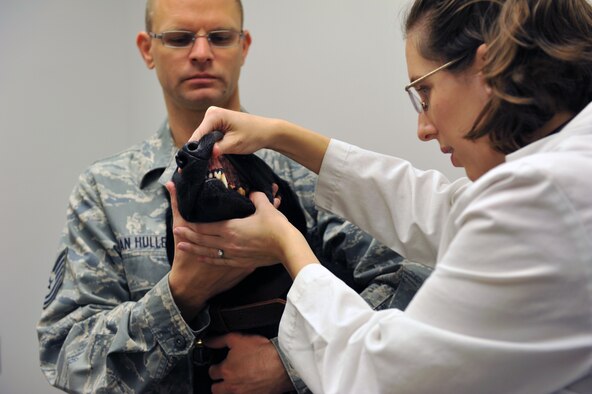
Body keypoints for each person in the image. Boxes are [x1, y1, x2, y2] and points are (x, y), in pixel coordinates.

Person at [171, 0, 592, 392]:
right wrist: (281, 135)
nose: (423, 128)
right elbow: (441, 210)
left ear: (486, 69)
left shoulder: (543, 195)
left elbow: (379, 375)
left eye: (424, 93)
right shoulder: (566, 170)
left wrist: (287, 245)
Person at [36, 0, 431, 393]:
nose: (202, 53)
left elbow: (417, 287)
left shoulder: (303, 174)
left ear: (244, 46)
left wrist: (292, 361)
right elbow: (65, 354)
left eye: (220, 37)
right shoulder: (105, 191)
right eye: (179, 38)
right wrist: (183, 294)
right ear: (147, 49)